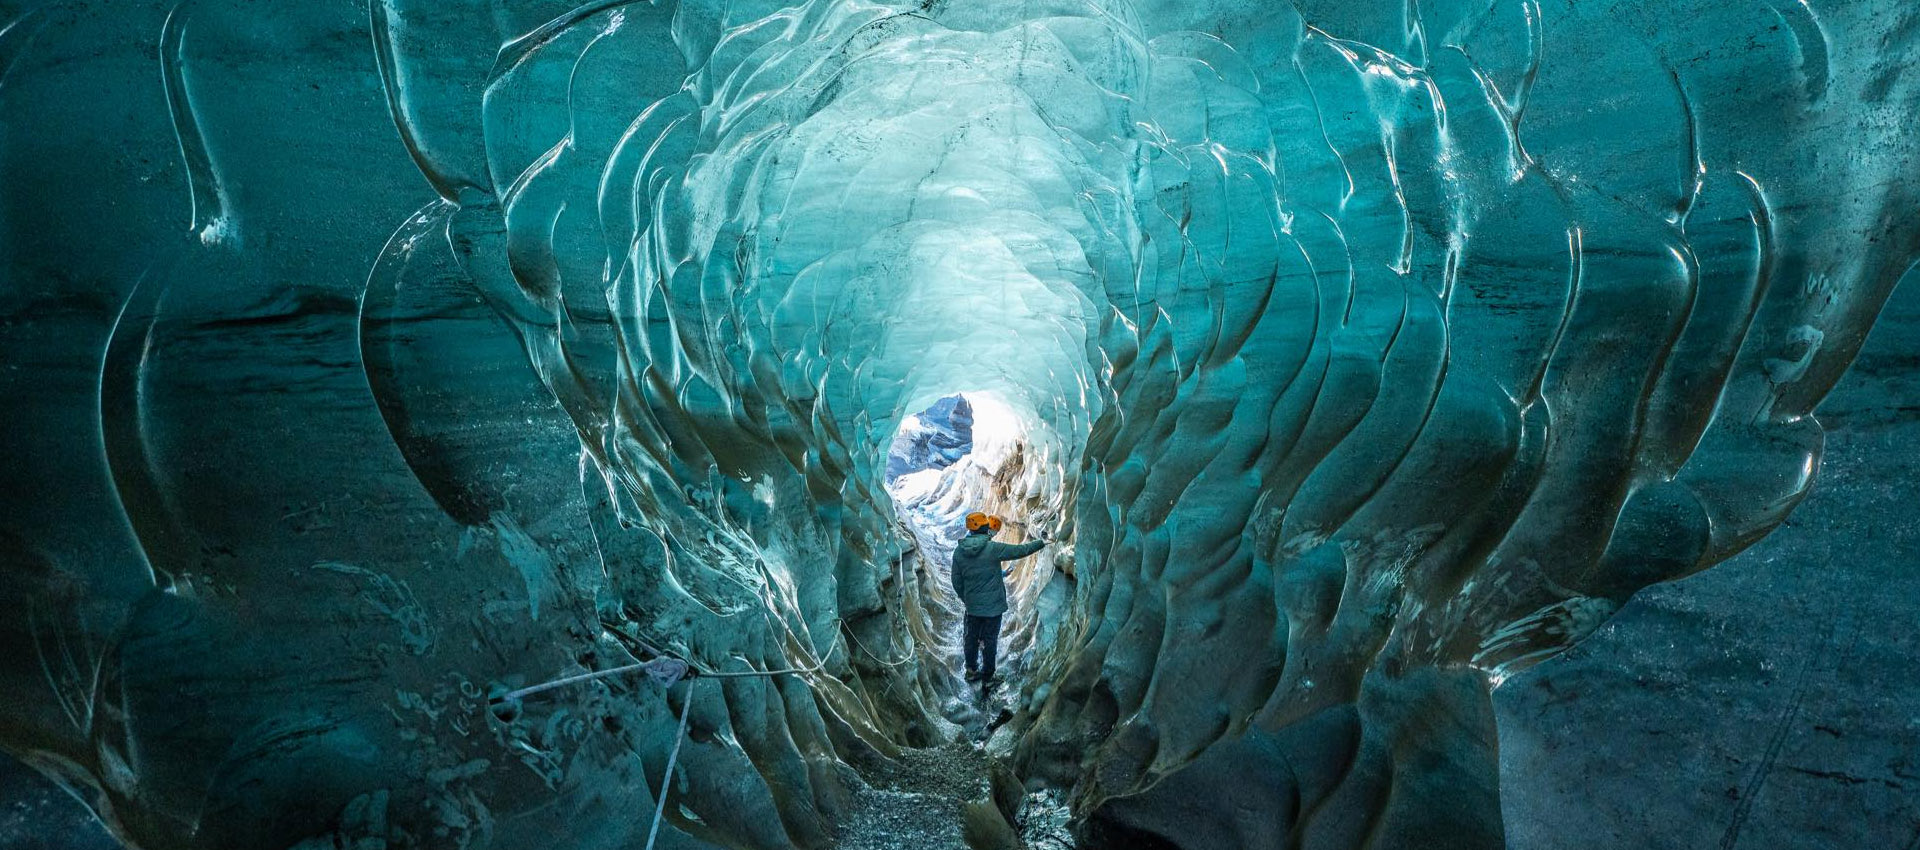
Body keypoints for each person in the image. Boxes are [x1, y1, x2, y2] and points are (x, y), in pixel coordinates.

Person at [950, 511, 1049, 688]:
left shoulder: (959, 552)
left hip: (972, 608)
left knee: (970, 638)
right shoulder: (992, 549)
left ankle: (971, 670)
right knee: (990, 641)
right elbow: (1020, 551)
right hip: (993, 609)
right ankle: (988, 676)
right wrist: (1042, 542)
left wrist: (967, 599)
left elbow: (956, 581)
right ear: (985, 528)